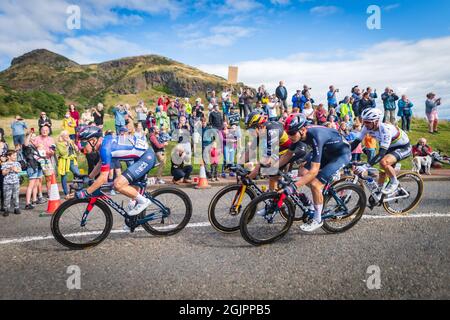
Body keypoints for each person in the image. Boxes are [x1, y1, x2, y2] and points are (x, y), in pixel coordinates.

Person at [280, 113, 352, 232]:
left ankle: (318, 219)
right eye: (288, 133)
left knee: (315, 184)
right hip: (326, 152)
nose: (289, 136)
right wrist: (273, 168)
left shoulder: (316, 136)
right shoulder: (298, 134)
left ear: (302, 130)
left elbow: (313, 171)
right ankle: (316, 198)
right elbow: (288, 155)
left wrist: (293, 187)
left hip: (340, 155)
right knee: (302, 172)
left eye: (292, 133)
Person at [77, 126, 157, 217]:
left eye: (83, 143)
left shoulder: (105, 149)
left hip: (146, 158)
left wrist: (86, 192)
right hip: (141, 157)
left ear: (92, 141)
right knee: (131, 195)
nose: (81, 147)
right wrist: (89, 177)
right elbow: (100, 163)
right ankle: (133, 221)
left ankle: (143, 201)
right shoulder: (105, 142)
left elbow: (103, 178)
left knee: (118, 184)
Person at [351, 108, 411, 195]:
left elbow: (381, 153)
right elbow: (356, 142)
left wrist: (366, 166)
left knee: (384, 162)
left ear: (376, 121)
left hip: (403, 147)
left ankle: (394, 183)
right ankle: (380, 192)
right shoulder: (366, 127)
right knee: (382, 172)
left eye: (368, 122)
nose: (365, 124)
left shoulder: (385, 129)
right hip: (389, 148)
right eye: (364, 121)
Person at [245, 111, 292, 191]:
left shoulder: (271, 131)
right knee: (272, 177)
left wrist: (248, 178)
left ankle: (288, 193)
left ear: (259, 126)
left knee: (269, 171)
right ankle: (273, 197)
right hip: (281, 149)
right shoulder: (263, 129)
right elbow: (251, 149)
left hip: (289, 151)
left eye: (252, 130)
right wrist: (237, 165)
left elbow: (269, 158)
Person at [22, 132, 46, 209]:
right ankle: (27, 203)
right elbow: (25, 143)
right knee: (31, 185)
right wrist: (29, 134)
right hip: (31, 166)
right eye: (32, 136)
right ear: (28, 137)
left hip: (38, 166)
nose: (34, 138)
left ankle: (34, 200)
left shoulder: (34, 146)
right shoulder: (26, 145)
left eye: (35, 137)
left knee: (36, 184)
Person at [56, 131, 81, 198]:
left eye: (68, 135)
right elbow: (63, 153)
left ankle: (80, 190)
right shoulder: (59, 143)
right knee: (64, 177)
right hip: (64, 161)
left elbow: (77, 152)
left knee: (78, 174)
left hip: (72, 160)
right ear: (62, 136)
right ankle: (66, 193)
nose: (67, 136)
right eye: (65, 135)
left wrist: (76, 149)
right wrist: (67, 144)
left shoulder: (71, 142)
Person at [1, 150, 22, 216]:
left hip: (16, 182)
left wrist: (16, 170)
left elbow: (19, 170)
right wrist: (9, 169)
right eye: (13, 155)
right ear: (8, 157)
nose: (15, 157)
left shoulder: (17, 163)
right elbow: (3, 173)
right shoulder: (4, 164)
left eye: (15, 155)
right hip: (7, 183)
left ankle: (16, 208)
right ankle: (6, 209)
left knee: (16, 196)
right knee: (7, 196)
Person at [0, 130, 8, 214]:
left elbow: (7, 155)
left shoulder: (5, 144)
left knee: (3, 187)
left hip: (3, 168)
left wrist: (5, 159)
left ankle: (3, 205)